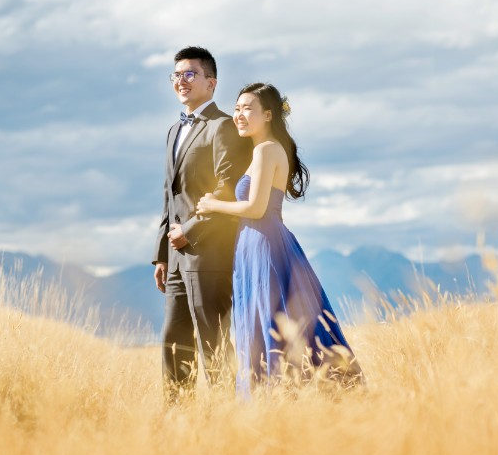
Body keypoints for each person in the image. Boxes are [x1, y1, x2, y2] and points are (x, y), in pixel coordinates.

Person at [197, 82, 363, 396]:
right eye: (237, 108)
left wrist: (213, 205)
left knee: (267, 321)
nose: (239, 115)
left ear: (269, 115)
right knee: (270, 321)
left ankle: (274, 397)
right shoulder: (265, 149)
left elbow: (256, 208)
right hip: (260, 242)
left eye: (248, 108)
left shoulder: (266, 150)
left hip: (263, 244)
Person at [152, 46, 251, 401]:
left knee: (214, 344)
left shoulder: (223, 126)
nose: (182, 81)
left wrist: (189, 231)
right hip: (176, 258)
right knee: (173, 342)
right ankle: (177, 423)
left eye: (190, 74)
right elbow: (169, 196)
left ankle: (227, 418)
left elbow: (226, 187)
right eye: (176, 75)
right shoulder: (172, 131)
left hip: (209, 254)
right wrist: (162, 254)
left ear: (211, 83)